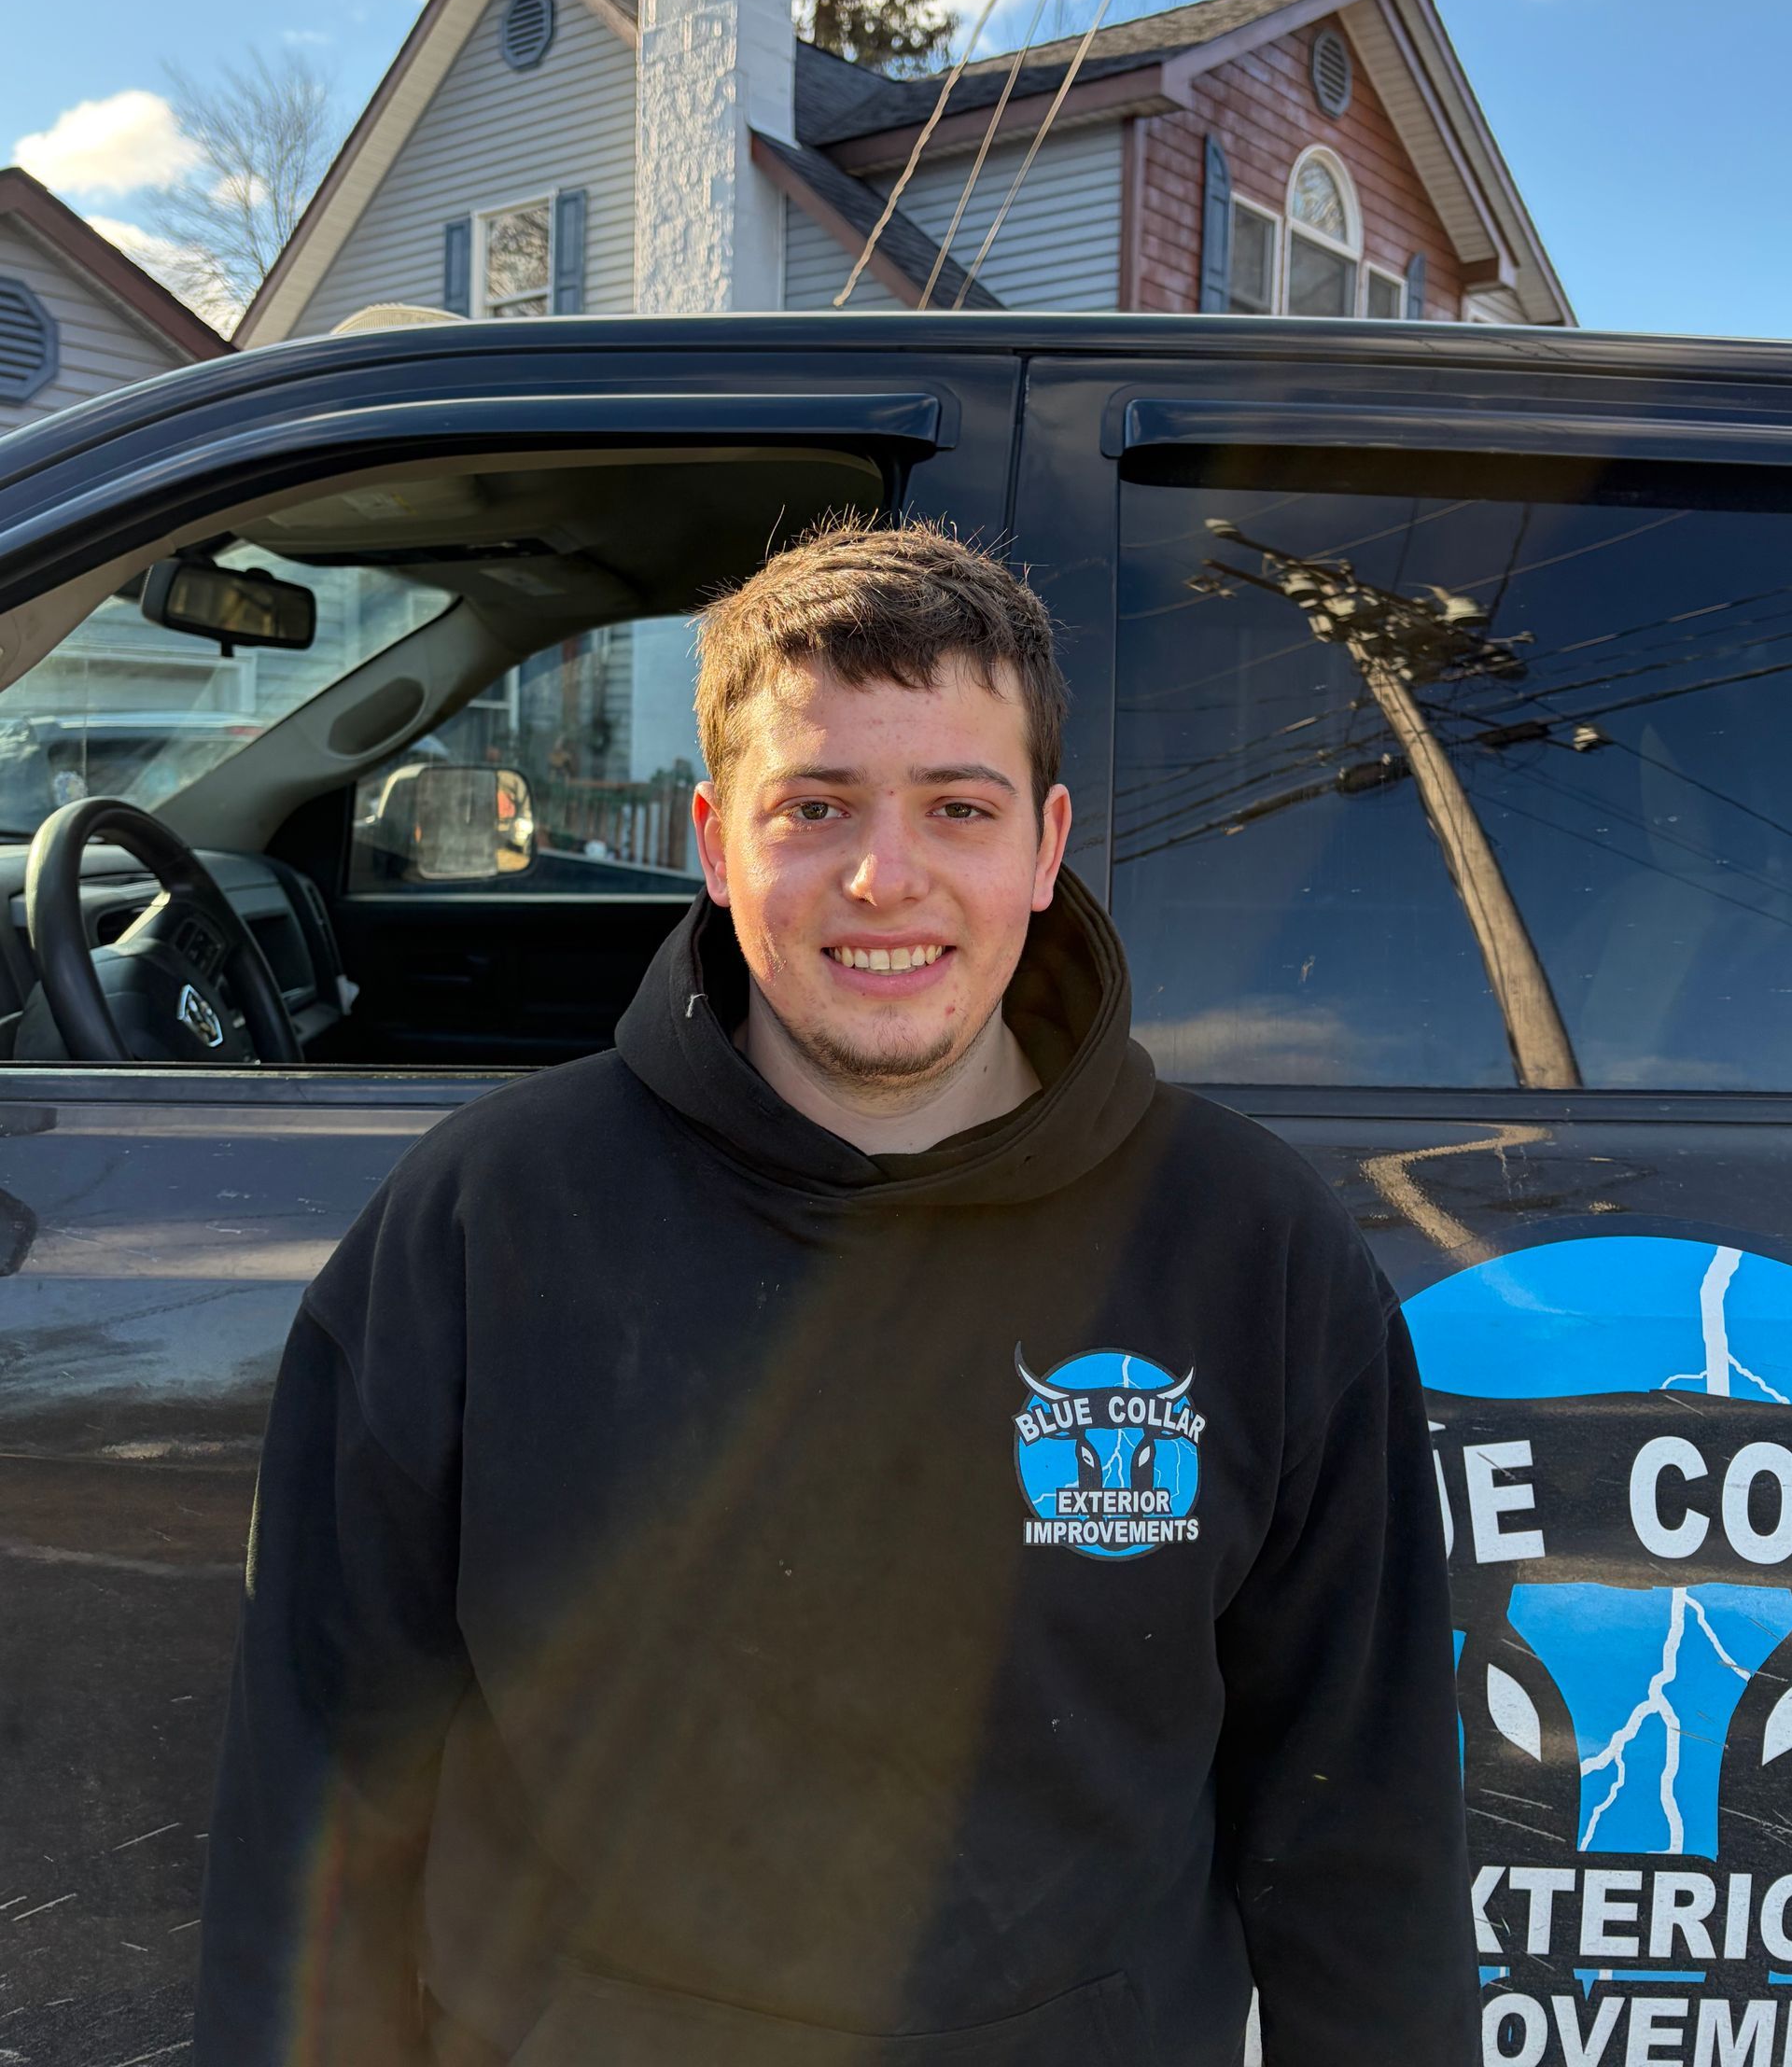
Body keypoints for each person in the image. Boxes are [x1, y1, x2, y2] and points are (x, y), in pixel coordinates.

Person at [194, 521, 1477, 2067]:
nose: (887, 876)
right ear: (717, 843)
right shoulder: (479, 1228)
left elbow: (1364, 1841)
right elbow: (319, 1812)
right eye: (815, 806)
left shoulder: (1252, 1252)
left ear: (1045, 843)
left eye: (958, 805)